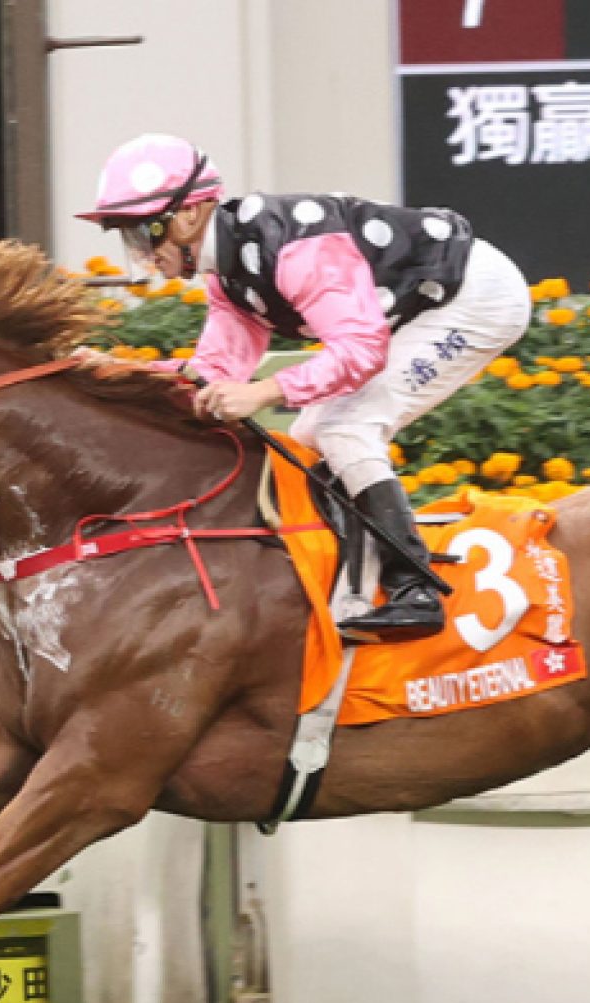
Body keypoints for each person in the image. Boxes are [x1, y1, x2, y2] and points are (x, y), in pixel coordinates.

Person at [74, 134, 531, 643]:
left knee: (343, 423)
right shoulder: (228, 278)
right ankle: (357, 591)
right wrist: (117, 375)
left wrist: (266, 393)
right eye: (129, 238)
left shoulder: (296, 250)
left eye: (143, 234)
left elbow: (359, 353)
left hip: (476, 297)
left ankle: (415, 588)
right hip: (422, 303)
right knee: (315, 428)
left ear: (189, 216)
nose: (140, 255)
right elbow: (213, 373)